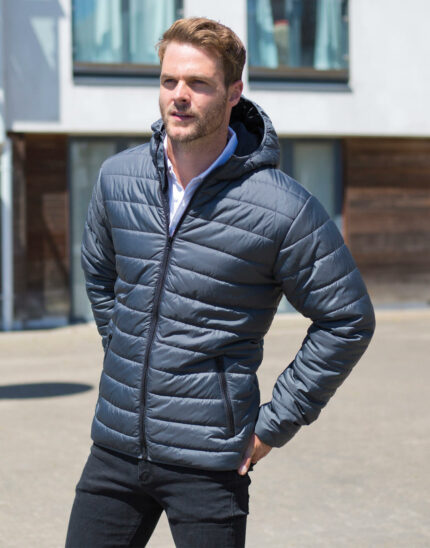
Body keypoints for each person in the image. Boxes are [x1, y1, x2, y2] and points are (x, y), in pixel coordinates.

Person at [65, 17, 375, 548]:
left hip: (210, 463)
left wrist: (275, 424)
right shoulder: (118, 178)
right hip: (114, 449)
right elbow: (99, 272)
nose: (179, 96)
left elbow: (347, 319)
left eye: (198, 83)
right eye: (169, 81)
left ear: (234, 93)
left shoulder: (282, 207)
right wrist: (123, 350)